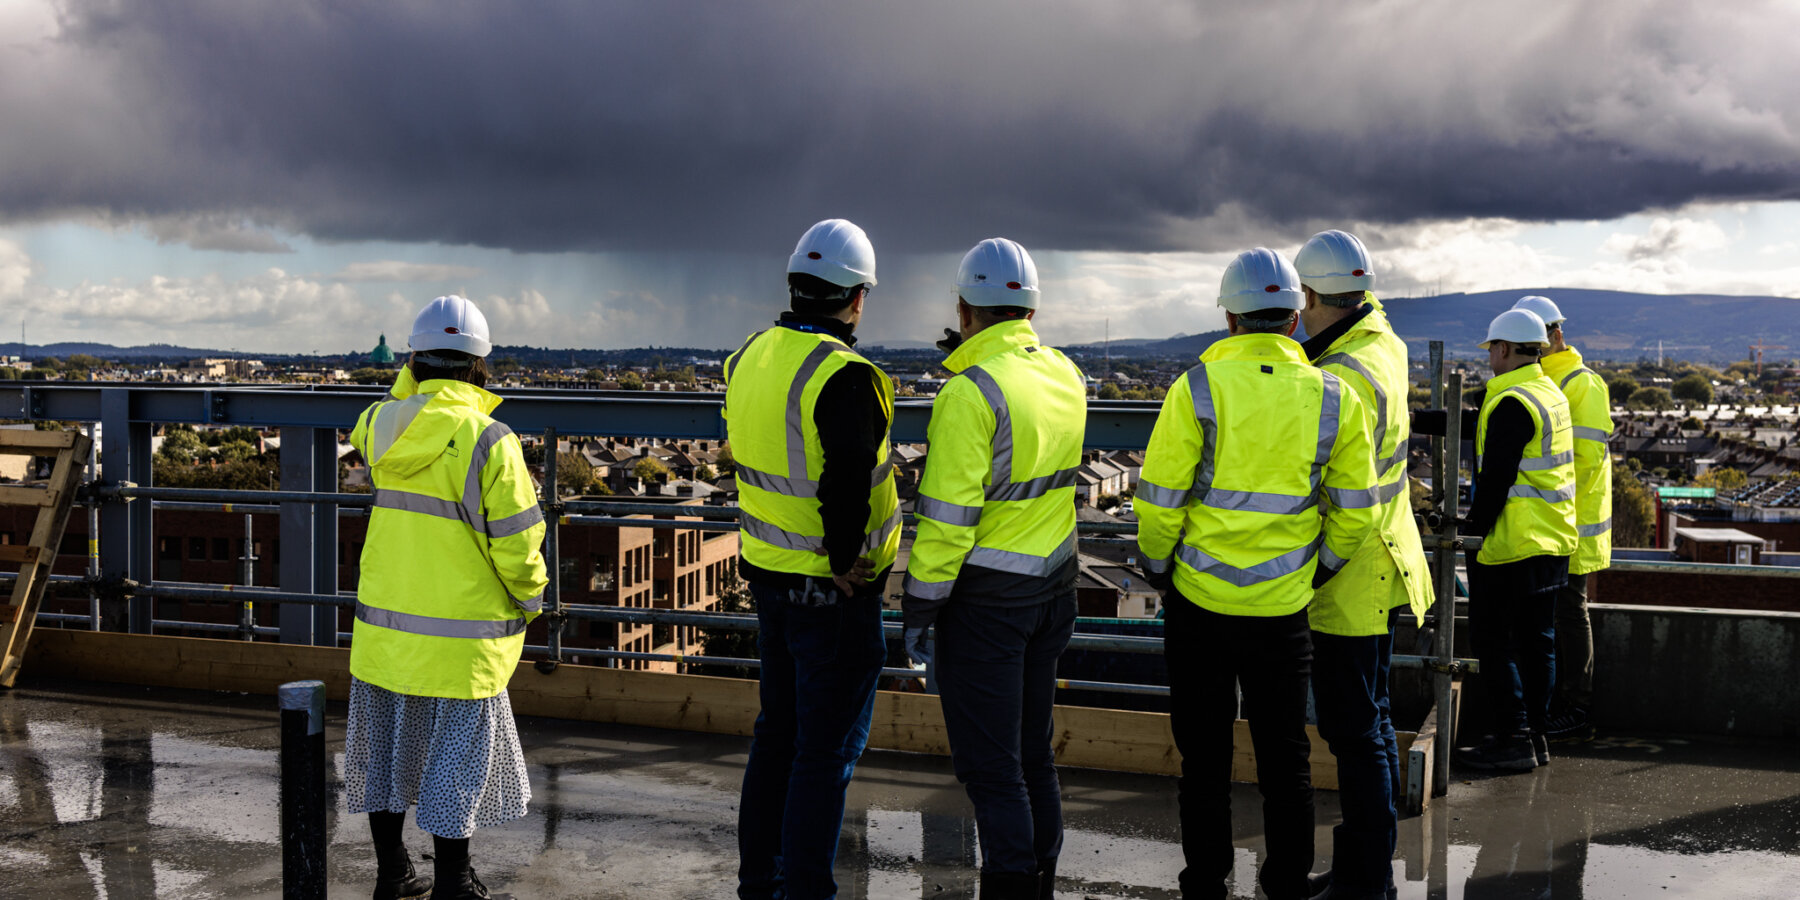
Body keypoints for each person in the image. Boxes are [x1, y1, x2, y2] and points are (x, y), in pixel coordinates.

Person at [1135, 248, 1379, 900]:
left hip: (1199, 607)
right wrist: (1316, 574)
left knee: (1204, 763)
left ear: (1229, 317)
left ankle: (1205, 885)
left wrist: (1161, 570)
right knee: (1286, 762)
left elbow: (1159, 503)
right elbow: (1358, 512)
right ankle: (1286, 884)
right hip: (1283, 611)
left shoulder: (1197, 389)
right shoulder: (1335, 396)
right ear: (1295, 320)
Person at [344, 295, 549, 900]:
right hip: (462, 643)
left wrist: (412, 376)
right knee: (454, 768)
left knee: (381, 761)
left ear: (413, 358)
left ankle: (393, 875)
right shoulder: (491, 439)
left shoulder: (379, 425)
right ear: (481, 366)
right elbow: (518, 546)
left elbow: (397, 400)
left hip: (386, 635)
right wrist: (530, 600)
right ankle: (453, 884)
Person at [901, 238, 1088, 900]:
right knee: (1034, 756)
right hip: (1054, 590)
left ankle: (1011, 883)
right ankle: (1041, 876)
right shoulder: (1067, 375)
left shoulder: (969, 393)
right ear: (1030, 308)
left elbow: (948, 523)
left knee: (992, 767)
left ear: (965, 308)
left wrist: (919, 607)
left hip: (987, 607)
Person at [727, 218, 902, 900]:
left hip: (770, 575)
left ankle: (758, 883)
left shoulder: (749, 357)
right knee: (824, 754)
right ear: (856, 299)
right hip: (833, 590)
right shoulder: (848, 375)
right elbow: (849, 472)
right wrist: (841, 556)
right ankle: (804, 892)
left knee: (777, 737)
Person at [1294, 231, 1433, 900]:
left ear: (1314, 296)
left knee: (1356, 731)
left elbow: (1325, 485)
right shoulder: (1384, 345)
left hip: (1351, 569)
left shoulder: (1342, 376)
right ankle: (1360, 868)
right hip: (1382, 554)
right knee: (1367, 722)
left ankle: (1365, 879)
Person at [1451, 308, 1579, 772]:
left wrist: (1470, 534)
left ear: (1502, 349)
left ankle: (1513, 740)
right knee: (1538, 643)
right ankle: (1537, 739)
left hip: (1513, 546)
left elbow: (1496, 481)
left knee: (1495, 644)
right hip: (1553, 540)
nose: (1490, 359)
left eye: (1491, 350)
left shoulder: (1510, 401)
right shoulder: (1548, 392)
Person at [1510, 295, 1612, 742]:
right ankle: (1554, 707)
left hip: (1572, 520)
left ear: (1555, 335)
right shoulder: (1542, 380)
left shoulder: (1580, 383)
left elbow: (1584, 459)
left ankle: (1577, 709)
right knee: (1548, 615)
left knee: (1570, 611)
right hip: (1550, 520)